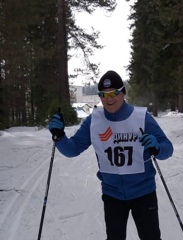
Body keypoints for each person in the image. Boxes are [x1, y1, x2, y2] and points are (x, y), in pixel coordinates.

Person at [49, 70, 174, 240]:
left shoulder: (142, 117)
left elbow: (168, 148)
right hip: (113, 195)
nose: (109, 98)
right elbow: (73, 149)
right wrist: (59, 136)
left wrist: (157, 147)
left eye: (114, 93)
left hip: (143, 193)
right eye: (103, 94)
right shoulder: (94, 121)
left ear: (123, 93)